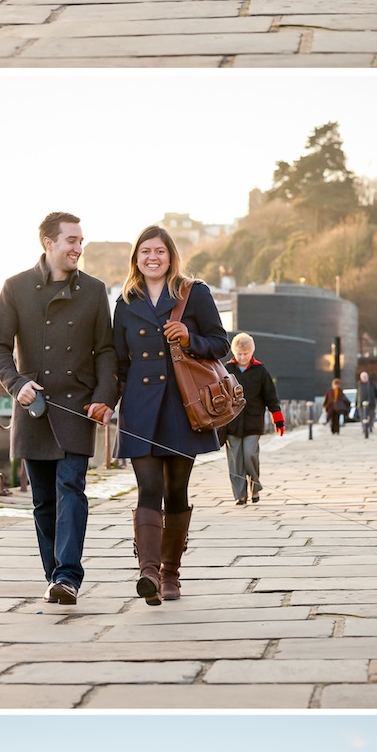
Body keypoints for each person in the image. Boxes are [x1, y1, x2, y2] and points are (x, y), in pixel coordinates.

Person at [0, 212, 116, 605]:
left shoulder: (94, 291)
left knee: (71, 488)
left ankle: (67, 575)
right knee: (43, 499)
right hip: (34, 408)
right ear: (48, 243)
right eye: (71, 240)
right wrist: (17, 384)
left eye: (81, 241)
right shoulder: (16, 287)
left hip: (78, 408)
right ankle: (54, 577)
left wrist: (105, 396)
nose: (78, 248)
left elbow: (106, 350)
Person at [113, 224, 229, 603]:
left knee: (176, 491)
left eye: (159, 251)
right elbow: (118, 362)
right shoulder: (126, 302)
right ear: (136, 258)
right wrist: (107, 401)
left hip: (182, 407)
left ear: (170, 255)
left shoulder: (193, 293)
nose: (152, 257)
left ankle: (170, 574)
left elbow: (221, 346)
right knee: (149, 487)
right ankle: (147, 572)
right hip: (140, 409)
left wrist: (189, 338)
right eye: (145, 251)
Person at [225, 333, 285, 504]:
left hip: (253, 421)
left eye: (246, 353)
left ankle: (255, 487)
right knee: (236, 460)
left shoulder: (260, 371)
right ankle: (240, 495)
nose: (242, 357)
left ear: (252, 352)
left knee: (250, 454)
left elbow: (271, 398)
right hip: (232, 423)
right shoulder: (226, 370)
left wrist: (278, 420)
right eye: (239, 354)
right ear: (234, 353)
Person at [357, 370, 377, 438]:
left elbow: (376, 393)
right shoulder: (359, 385)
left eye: (365, 377)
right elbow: (357, 395)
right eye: (363, 377)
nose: (364, 378)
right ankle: (364, 428)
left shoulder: (372, 384)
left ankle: (370, 426)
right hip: (361, 404)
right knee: (362, 416)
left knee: (371, 416)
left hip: (371, 403)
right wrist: (356, 403)